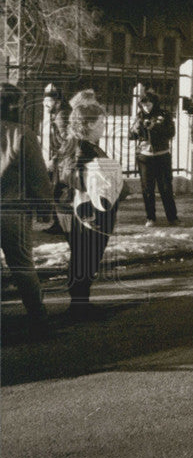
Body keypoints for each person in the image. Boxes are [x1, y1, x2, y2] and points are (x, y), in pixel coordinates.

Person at [54, 92, 128, 322]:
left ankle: (79, 303)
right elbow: (75, 180)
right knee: (86, 258)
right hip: (87, 212)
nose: (104, 127)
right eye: (102, 122)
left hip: (70, 211)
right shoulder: (84, 149)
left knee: (80, 257)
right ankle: (79, 307)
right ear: (90, 125)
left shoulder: (72, 145)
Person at [1, 83, 54, 335]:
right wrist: (46, 208)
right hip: (13, 211)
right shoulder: (22, 133)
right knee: (22, 265)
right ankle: (39, 319)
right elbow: (37, 177)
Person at [129, 89, 178, 227]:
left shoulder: (164, 114)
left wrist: (155, 127)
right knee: (147, 189)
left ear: (154, 103)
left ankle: (172, 217)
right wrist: (135, 130)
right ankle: (150, 218)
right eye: (143, 104)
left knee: (166, 187)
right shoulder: (139, 117)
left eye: (149, 103)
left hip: (162, 155)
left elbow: (171, 132)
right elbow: (131, 136)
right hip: (145, 157)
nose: (146, 106)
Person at [40, 85, 71, 234]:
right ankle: (60, 224)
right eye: (44, 100)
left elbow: (68, 140)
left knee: (59, 192)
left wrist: (56, 158)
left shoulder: (61, 116)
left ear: (57, 101)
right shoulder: (59, 113)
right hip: (63, 159)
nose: (44, 103)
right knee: (59, 191)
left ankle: (60, 225)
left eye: (48, 100)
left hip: (64, 159)